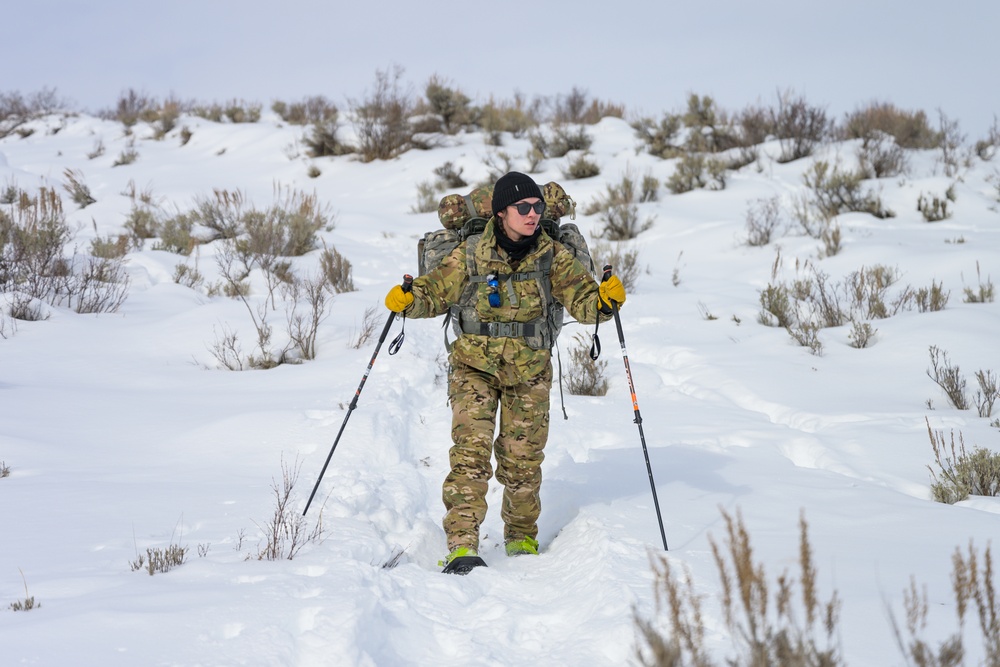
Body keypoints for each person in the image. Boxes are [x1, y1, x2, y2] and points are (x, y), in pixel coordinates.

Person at [384, 171, 627, 570]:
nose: (533, 214)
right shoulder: (471, 252)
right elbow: (435, 292)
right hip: (473, 368)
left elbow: (583, 300)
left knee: (522, 460)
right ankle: (462, 545)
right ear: (501, 213)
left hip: (530, 369)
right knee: (470, 457)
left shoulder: (551, 254)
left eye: (537, 207)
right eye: (523, 208)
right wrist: (408, 301)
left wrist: (603, 303)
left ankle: (521, 540)